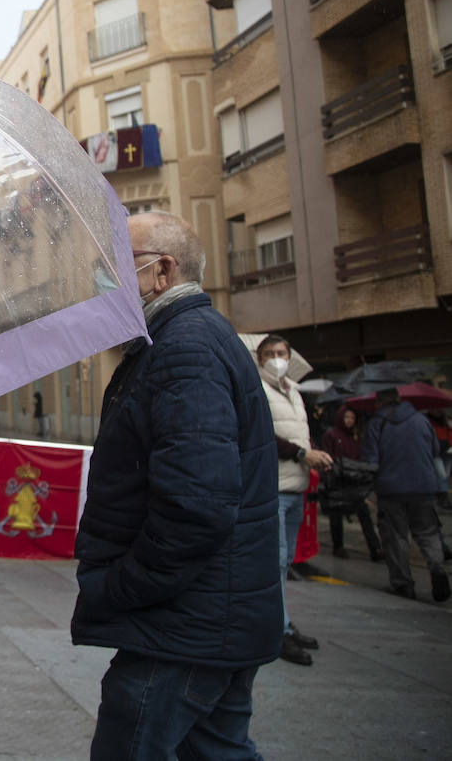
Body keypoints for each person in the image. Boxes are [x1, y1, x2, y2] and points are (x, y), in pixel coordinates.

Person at [71, 213, 281, 760]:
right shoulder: (185, 339)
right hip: (208, 621)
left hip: (182, 627)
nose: (104, 277)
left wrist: (120, 587)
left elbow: (197, 506)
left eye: (115, 264)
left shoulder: (184, 348)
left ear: (161, 270)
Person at [254, 333, 331, 666]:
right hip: (273, 488)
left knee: (284, 563)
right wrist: (303, 453)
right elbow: (262, 436)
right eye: (269, 353)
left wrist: (313, 456)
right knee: (274, 561)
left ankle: (282, 623)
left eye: (281, 352)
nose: (276, 358)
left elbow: (301, 432)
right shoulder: (257, 390)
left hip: (296, 488)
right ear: (260, 360)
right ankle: (275, 632)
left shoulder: (294, 392)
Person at [361, 387, 450, 602]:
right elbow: (435, 450)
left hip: (391, 490)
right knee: (428, 533)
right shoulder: (421, 420)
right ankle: (437, 568)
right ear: (400, 399)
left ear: (379, 402)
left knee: (396, 537)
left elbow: (371, 460)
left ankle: (403, 584)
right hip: (424, 488)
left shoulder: (377, 423)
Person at [319, 406, 382, 561]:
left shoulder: (356, 438)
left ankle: (375, 548)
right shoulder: (332, 435)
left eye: (352, 418)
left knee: (364, 514)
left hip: (354, 481)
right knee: (336, 516)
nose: (349, 421)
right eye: (346, 417)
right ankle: (338, 546)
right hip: (337, 481)